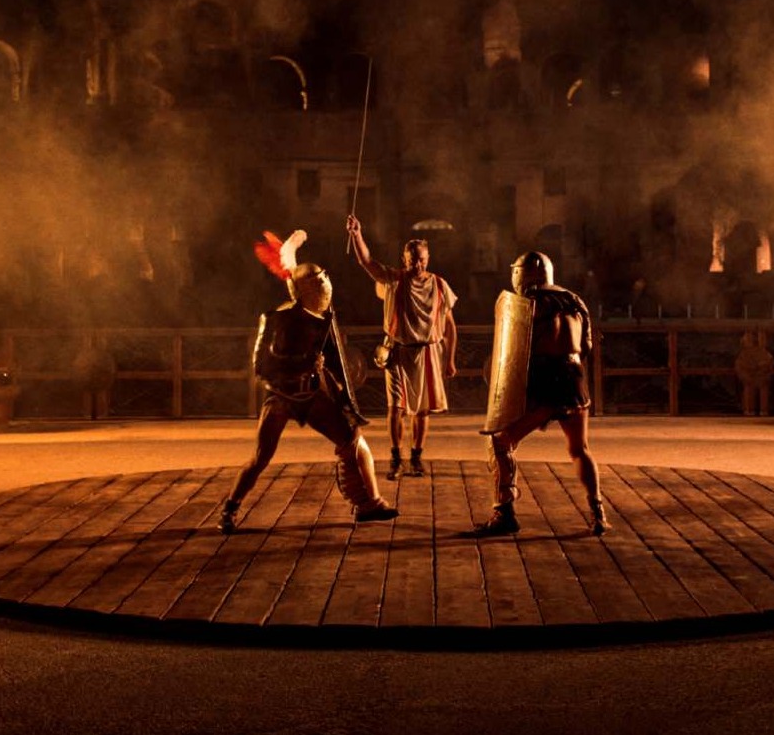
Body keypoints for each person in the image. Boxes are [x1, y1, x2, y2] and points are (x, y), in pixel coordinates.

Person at [218, 240, 399, 534]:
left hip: (313, 394)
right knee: (260, 458)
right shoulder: (277, 319)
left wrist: (340, 393)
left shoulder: (325, 319)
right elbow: (261, 366)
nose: (324, 283)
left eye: (324, 277)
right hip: (281, 396)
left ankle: (368, 502)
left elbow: (335, 361)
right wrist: (304, 362)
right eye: (316, 280)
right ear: (303, 289)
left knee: (353, 440)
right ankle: (230, 508)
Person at [471, 251, 609, 537]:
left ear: (525, 274)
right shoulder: (575, 301)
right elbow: (586, 347)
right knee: (579, 449)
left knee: (501, 442)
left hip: (549, 384)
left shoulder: (527, 304)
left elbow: (518, 351)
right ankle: (598, 514)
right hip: (574, 380)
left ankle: (504, 513)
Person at [346, 214, 458, 480]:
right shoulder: (393, 280)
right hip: (397, 350)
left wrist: (450, 359)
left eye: (421, 259)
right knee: (395, 407)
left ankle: (416, 458)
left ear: (427, 258)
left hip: (428, 351)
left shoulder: (440, 285)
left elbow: (450, 325)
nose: (417, 264)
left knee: (422, 410)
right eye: (412, 260)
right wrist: (356, 234)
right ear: (404, 260)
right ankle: (396, 458)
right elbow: (366, 262)